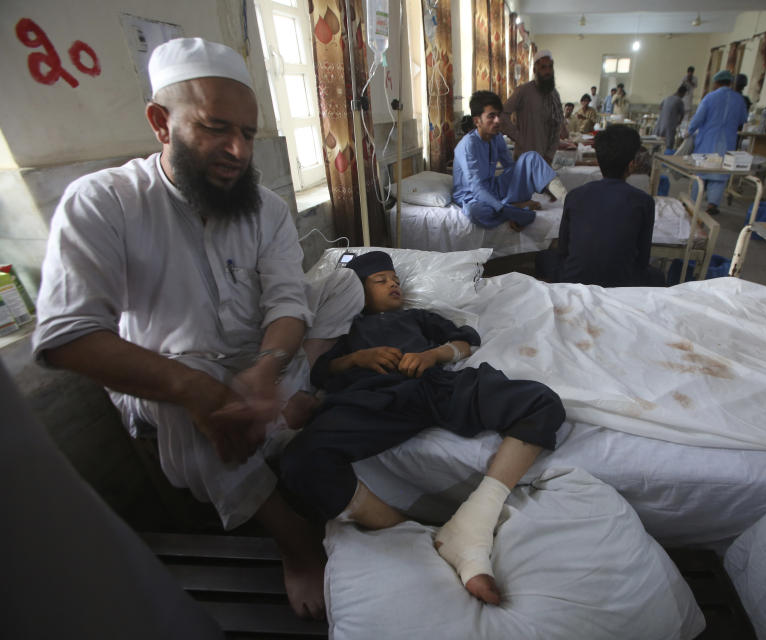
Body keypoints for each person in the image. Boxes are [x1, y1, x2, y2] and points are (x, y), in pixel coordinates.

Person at [31, 38, 343, 619]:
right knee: (194, 395)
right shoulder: (104, 203)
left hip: (258, 360)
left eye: (248, 134)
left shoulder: (265, 209)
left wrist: (267, 367)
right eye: (215, 128)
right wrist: (196, 389)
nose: (237, 150)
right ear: (159, 122)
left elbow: (285, 303)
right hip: (170, 379)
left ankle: (279, 406)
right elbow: (66, 334)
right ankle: (295, 544)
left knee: (340, 284)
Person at [279, 251, 566, 605]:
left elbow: (464, 340)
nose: (393, 285)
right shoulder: (348, 329)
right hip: (372, 399)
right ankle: (414, 538)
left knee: (541, 402)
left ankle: (475, 518)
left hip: (434, 386)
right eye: (380, 281)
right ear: (357, 292)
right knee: (298, 462)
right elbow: (322, 371)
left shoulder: (418, 317)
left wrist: (434, 355)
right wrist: (356, 359)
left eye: (395, 279)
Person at [534, 125, 658, 287]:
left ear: (598, 161)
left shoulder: (575, 196)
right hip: (623, 281)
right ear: (632, 164)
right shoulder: (644, 201)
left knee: (542, 258)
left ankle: (556, 290)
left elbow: (564, 250)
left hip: (574, 278)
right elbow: (642, 259)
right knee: (658, 276)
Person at [453, 90, 561, 230]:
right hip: (472, 196)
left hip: (493, 187)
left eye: (498, 115)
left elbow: (510, 167)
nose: (498, 121)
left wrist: (541, 182)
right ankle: (513, 206)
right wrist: (507, 211)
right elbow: (476, 188)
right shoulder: (468, 145)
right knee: (476, 212)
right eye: (491, 116)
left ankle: (565, 198)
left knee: (531, 158)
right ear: (477, 121)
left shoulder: (496, 137)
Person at [687, 69, 748, 215]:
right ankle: (712, 204)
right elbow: (742, 119)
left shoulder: (710, 98)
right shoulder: (738, 99)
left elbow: (698, 118)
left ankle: (692, 203)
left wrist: (689, 131)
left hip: (707, 140)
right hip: (727, 141)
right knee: (720, 173)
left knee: (700, 172)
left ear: (716, 82)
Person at [500, 50, 568, 163]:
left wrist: (550, 155)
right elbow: (502, 114)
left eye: (550, 67)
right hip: (525, 156)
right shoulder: (523, 91)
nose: (547, 71)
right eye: (543, 67)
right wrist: (518, 137)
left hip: (546, 158)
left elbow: (557, 127)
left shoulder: (555, 94)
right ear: (535, 70)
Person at [654, 85, 687, 150]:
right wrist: (679, 122)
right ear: (683, 93)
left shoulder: (667, 98)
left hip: (660, 123)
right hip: (670, 124)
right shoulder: (679, 101)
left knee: (657, 141)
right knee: (669, 143)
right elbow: (682, 113)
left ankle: (654, 152)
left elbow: (660, 107)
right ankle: (668, 154)